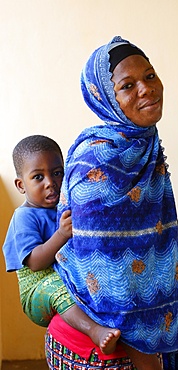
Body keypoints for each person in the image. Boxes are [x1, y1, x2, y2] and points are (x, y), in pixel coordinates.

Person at [47, 36, 178, 370]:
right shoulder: (94, 159)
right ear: (104, 97)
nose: (146, 89)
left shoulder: (146, 145)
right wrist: (148, 352)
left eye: (149, 76)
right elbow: (105, 269)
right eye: (127, 85)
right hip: (101, 305)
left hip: (151, 293)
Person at [2, 134, 121, 355]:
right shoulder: (24, 217)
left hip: (65, 276)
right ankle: (94, 331)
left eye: (57, 173)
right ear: (21, 185)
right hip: (37, 290)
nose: (50, 183)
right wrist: (61, 235)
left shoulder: (63, 207)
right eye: (38, 177)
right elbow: (35, 263)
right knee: (59, 287)